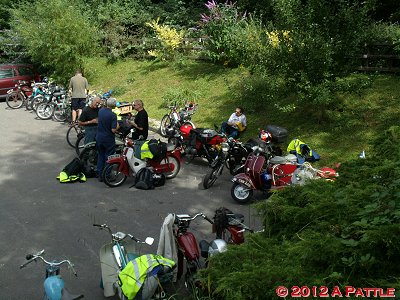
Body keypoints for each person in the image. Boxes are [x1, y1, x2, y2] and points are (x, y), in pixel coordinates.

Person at [96, 98, 120, 181]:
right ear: (113, 105)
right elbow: (113, 130)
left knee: (101, 155)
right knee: (109, 157)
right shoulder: (113, 115)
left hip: (99, 137)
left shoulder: (101, 111)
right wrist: (118, 126)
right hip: (108, 139)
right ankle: (106, 175)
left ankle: (99, 174)